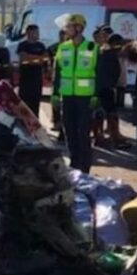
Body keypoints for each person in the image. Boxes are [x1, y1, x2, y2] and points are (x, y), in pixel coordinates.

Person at [54, 13, 98, 173]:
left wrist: (96, 95)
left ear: (79, 28)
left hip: (85, 98)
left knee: (83, 133)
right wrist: (54, 93)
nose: (67, 30)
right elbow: (57, 72)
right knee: (69, 132)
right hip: (67, 97)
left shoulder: (92, 47)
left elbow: (98, 73)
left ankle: (85, 168)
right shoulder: (63, 47)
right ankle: (74, 164)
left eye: (70, 27)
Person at [98, 33, 131, 149]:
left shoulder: (102, 53)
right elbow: (114, 72)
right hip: (106, 87)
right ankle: (114, 139)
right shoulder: (111, 55)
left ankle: (99, 138)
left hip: (100, 87)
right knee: (111, 113)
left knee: (99, 113)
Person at [17, 24, 50, 120]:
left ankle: (35, 122)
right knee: (24, 102)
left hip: (37, 79)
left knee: (36, 102)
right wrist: (38, 59)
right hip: (25, 79)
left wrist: (32, 58)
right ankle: (23, 122)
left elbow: (45, 59)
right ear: (29, 33)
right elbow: (23, 59)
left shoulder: (41, 45)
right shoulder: (22, 45)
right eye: (36, 32)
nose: (38, 34)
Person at [47, 29, 67, 133]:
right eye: (61, 35)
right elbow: (47, 61)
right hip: (56, 76)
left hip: (68, 78)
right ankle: (56, 122)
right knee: (55, 100)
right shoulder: (53, 48)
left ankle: (64, 124)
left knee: (65, 103)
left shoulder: (71, 48)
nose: (63, 37)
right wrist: (48, 72)